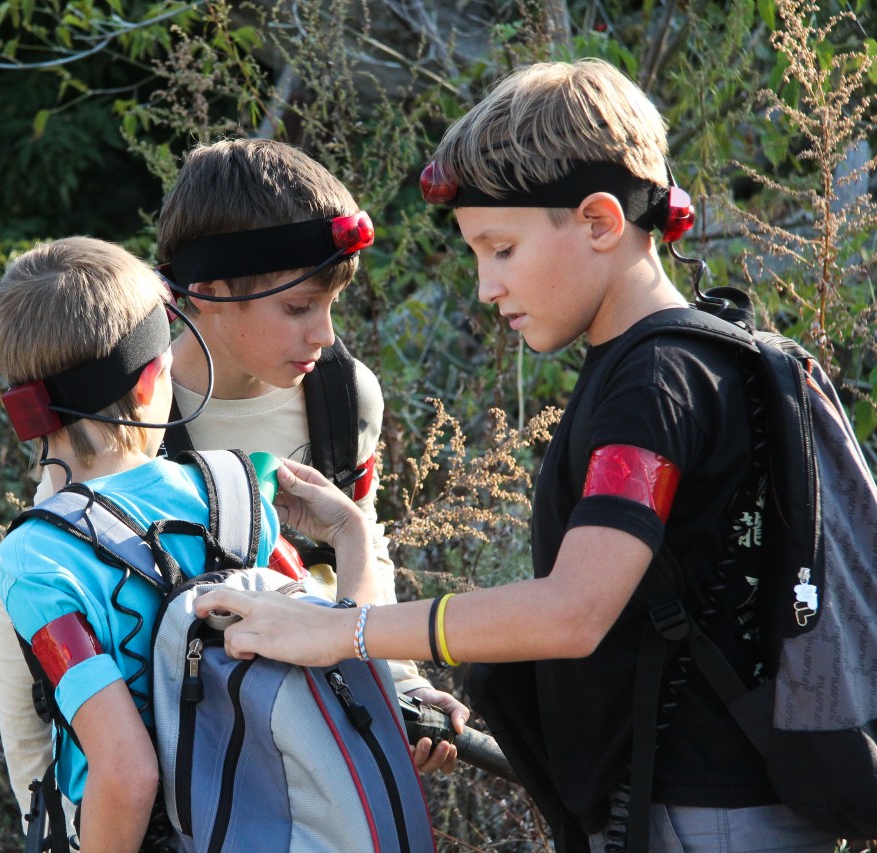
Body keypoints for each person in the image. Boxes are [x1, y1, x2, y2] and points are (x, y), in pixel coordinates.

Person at [194, 60, 838, 852]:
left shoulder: (654, 385)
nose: (485, 286)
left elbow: (573, 610)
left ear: (600, 221)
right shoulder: (674, 364)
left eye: (501, 248)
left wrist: (343, 630)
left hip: (704, 819)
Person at [0, 138, 468, 826]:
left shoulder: (342, 397)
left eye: (333, 303)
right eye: (299, 307)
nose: (325, 334)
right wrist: (50, 817)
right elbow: (30, 628)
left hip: (299, 774)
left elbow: (355, 560)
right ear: (205, 295)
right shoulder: (123, 418)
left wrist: (397, 685)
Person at [0, 236, 378, 851]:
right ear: (151, 383)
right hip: (279, 825)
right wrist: (352, 534)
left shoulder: (36, 558)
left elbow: (127, 773)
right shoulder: (236, 492)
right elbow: (341, 650)